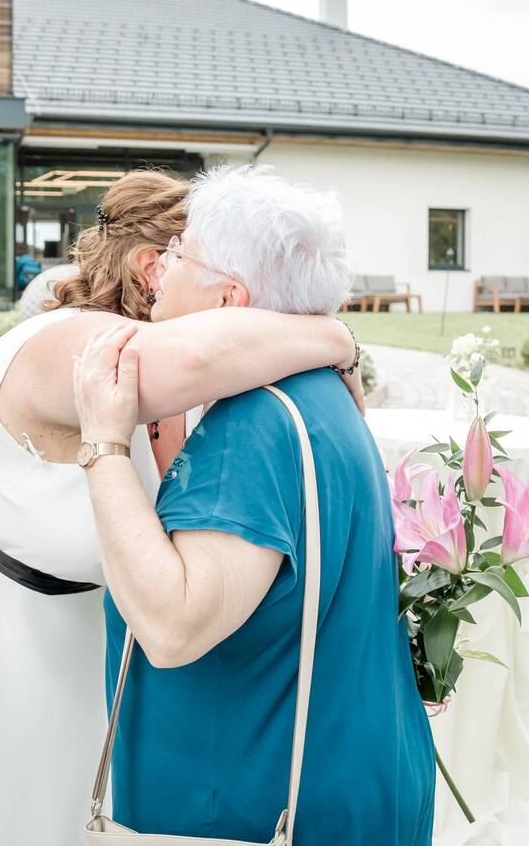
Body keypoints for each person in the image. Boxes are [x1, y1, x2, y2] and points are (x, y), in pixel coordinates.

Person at [0, 170, 364, 846]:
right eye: (179, 252)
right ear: (151, 266)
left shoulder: (221, 382)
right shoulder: (73, 342)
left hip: (64, 625)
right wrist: (333, 336)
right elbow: (188, 360)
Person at [75, 165, 434, 844]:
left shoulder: (251, 427)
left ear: (228, 298)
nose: (160, 269)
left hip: (255, 810)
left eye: (180, 253)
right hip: (359, 777)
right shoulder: (324, 392)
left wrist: (104, 444)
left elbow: (173, 626)